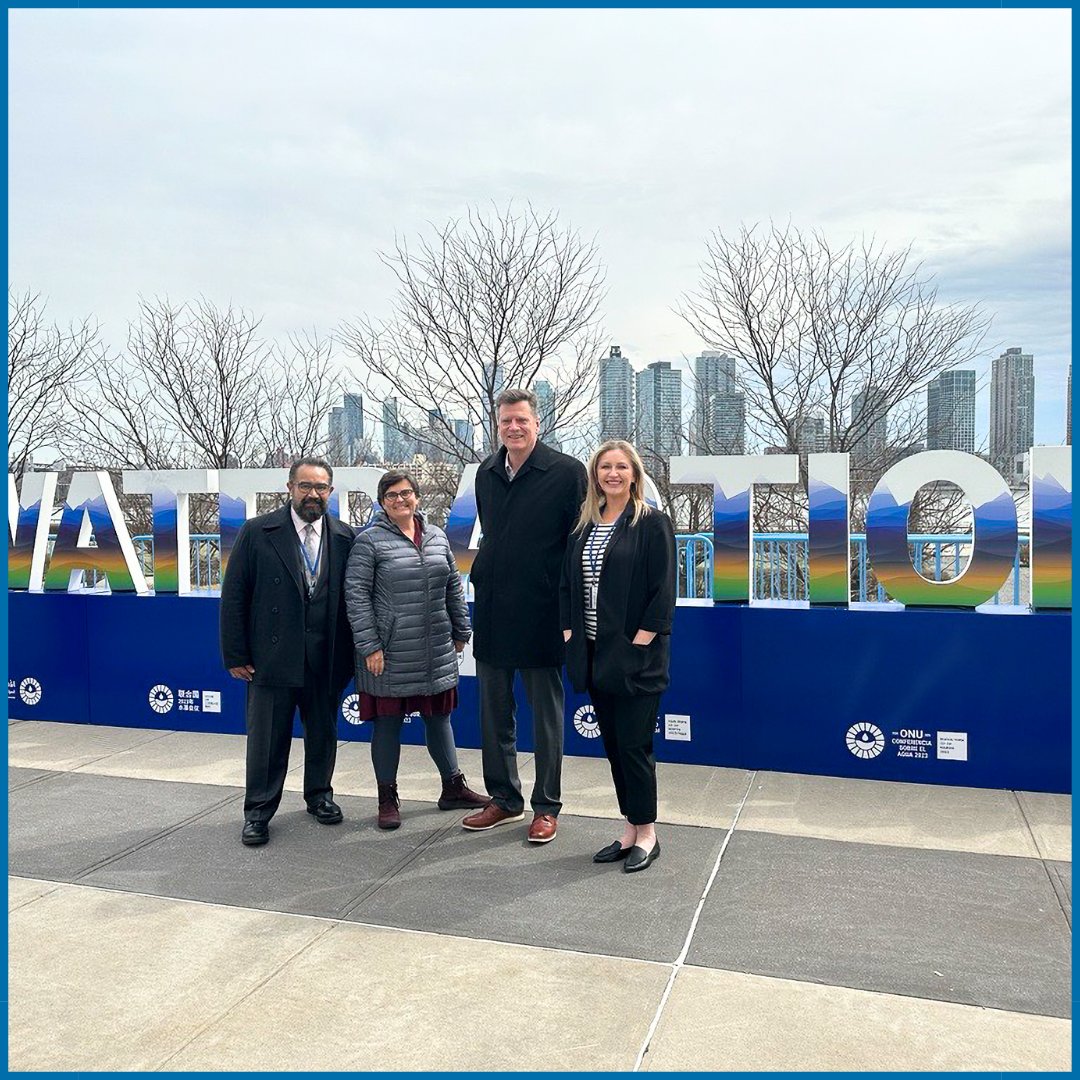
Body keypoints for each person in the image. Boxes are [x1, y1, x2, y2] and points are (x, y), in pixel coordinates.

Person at [462, 387, 588, 843]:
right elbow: (493, 533)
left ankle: (546, 806)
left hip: (543, 612)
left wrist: (568, 606)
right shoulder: (487, 472)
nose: (513, 428)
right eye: (505, 421)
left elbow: (577, 543)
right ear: (497, 425)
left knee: (547, 717)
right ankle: (504, 799)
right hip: (494, 608)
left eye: (521, 420)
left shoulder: (567, 472)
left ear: (538, 423)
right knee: (494, 713)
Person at [220, 458, 356, 847]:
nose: (313, 494)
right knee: (266, 741)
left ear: (330, 491)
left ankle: (320, 796)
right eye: (306, 486)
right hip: (271, 659)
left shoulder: (345, 536)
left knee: (323, 735)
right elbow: (234, 598)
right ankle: (258, 812)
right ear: (289, 488)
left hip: (325, 658)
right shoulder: (257, 531)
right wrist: (235, 653)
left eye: (321, 487)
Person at [344, 470, 489, 829]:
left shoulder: (438, 537)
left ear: (417, 497)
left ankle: (453, 787)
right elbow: (357, 597)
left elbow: (453, 587)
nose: (400, 500)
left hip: (436, 647)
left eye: (406, 493)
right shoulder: (369, 542)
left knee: (439, 719)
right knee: (388, 723)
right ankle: (387, 797)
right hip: (388, 651)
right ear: (381, 503)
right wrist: (370, 646)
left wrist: (461, 629)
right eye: (391, 495)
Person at [560, 440, 676, 873]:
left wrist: (639, 643)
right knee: (613, 747)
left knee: (633, 747)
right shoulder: (584, 527)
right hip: (592, 656)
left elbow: (662, 593)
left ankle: (648, 833)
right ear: (595, 475)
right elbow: (567, 586)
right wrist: (571, 632)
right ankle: (631, 827)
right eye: (605, 467)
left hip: (634, 660)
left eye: (620, 467)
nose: (612, 474)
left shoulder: (652, 524)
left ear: (634, 474)